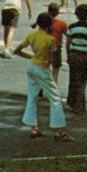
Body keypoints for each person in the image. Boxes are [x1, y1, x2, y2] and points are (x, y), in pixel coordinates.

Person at [14, 12, 73, 142]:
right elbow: (52, 59)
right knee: (56, 98)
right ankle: (59, 131)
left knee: (32, 96)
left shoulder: (32, 35)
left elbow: (17, 50)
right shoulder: (50, 40)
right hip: (42, 68)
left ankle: (34, 128)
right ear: (49, 25)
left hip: (32, 66)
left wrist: (32, 57)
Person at [65, 4, 87, 115]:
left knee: (73, 79)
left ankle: (72, 102)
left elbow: (68, 43)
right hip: (85, 56)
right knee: (82, 81)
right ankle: (79, 106)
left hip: (74, 55)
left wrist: (68, 55)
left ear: (76, 14)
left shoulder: (72, 27)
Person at [47, 3, 68, 85]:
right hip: (56, 48)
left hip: (45, 47)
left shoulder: (44, 21)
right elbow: (68, 34)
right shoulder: (61, 23)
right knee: (55, 70)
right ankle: (53, 89)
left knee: (43, 68)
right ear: (57, 12)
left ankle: (40, 90)